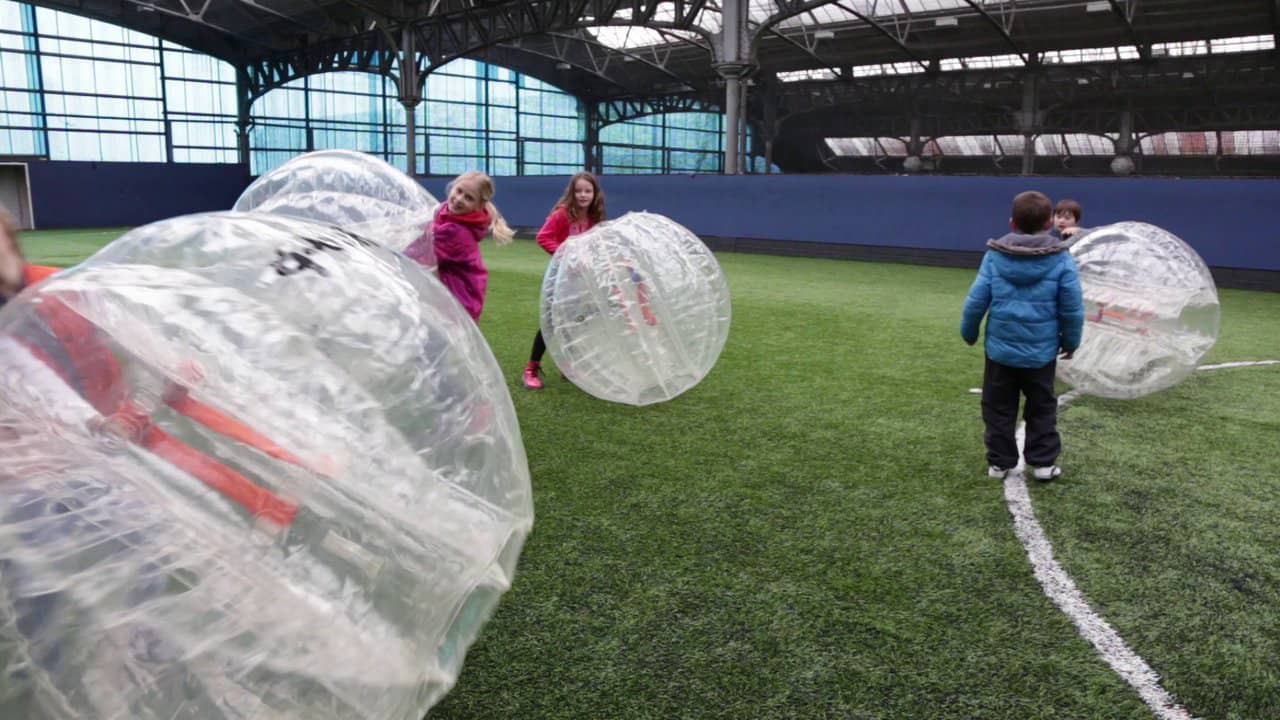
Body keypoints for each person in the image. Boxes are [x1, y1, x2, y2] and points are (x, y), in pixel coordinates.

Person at [960, 191, 1085, 481]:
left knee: (997, 407)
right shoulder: (1061, 259)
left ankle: (1000, 464)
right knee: (1042, 407)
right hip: (1041, 355)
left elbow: (976, 300)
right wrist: (1071, 342)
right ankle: (1042, 464)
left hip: (999, 353)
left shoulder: (994, 256)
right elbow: (1072, 307)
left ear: (1012, 223)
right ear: (1048, 223)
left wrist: (969, 332)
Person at [522, 171, 606, 390]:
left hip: (581, 279)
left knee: (575, 319)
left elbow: (594, 243)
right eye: (578, 191)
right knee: (550, 322)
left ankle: (568, 365)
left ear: (595, 193)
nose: (583, 195)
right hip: (560, 277)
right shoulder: (562, 214)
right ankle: (531, 368)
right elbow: (543, 237)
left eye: (588, 191)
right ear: (572, 192)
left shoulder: (594, 216)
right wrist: (567, 256)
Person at [405, 171, 514, 321]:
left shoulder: (455, 232)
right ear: (452, 187)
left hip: (457, 302)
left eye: (469, 198)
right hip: (449, 296)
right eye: (459, 191)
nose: (459, 199)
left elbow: (421, 253)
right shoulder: (444, 210)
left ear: (479, 205)